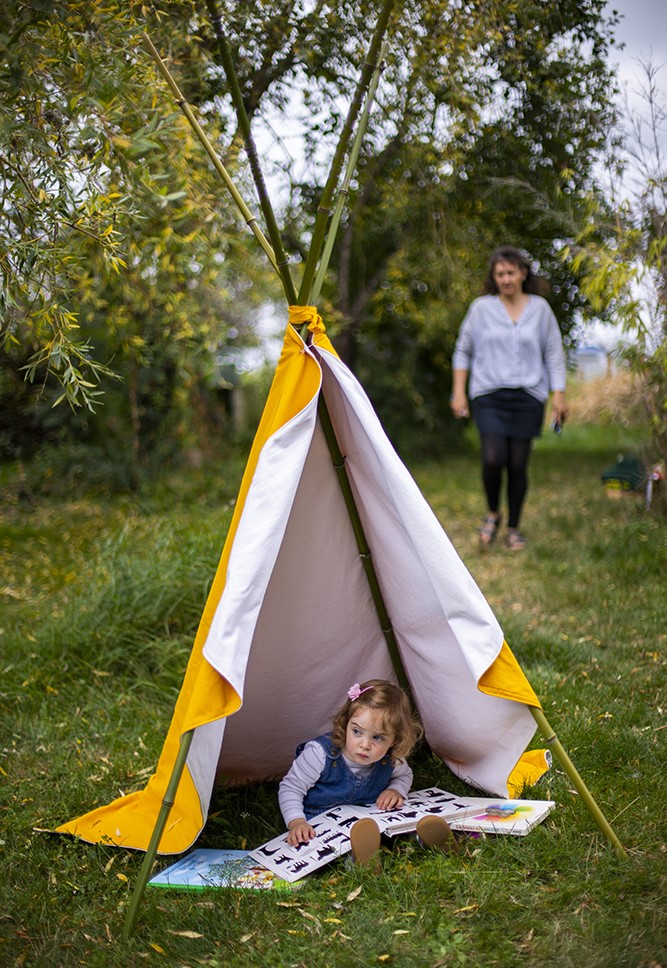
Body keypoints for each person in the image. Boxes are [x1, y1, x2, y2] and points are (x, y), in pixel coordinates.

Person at [450, 245, 568, 551]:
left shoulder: (540, 309)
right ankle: (492, 513)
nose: (505, 279)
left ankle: (514, 528)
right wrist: (458, 392)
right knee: (493, 458)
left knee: (517, 464)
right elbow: (463, 350)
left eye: (511, 272)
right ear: (494, 277)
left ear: (523, 273)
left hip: (528, 396)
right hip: (488, 395)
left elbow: (554, 353)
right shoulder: (481, 308)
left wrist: (559, 396)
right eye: (499, 274)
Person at [278, 679, 457, 865]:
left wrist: (396, 790)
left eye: (377, 737)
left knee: (394, 830)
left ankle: (427, 840)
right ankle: (360, 862)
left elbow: (405, 775)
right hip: (321, 823)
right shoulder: (319, 754)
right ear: (346, 723)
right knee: (337, 849)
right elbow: (291, 788)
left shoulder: (390, 759)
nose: (365, 745)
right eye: (357, 732)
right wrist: (296, 822)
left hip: (367, 820)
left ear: (395, 740)